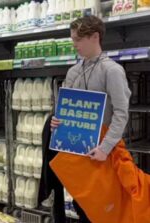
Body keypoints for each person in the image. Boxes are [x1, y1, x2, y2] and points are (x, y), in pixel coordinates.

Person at [50, 16, 131, 222]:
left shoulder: (112, 71)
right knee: (81, 205)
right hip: (79, 154)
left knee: (104, 208)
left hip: (104, 154)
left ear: (95, 37)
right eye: (73, 39)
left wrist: (105, 148)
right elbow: (65, 111)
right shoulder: (73, 72)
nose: (74, 44)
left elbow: (121, 113)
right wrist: (57, 123)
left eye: (78, 39)